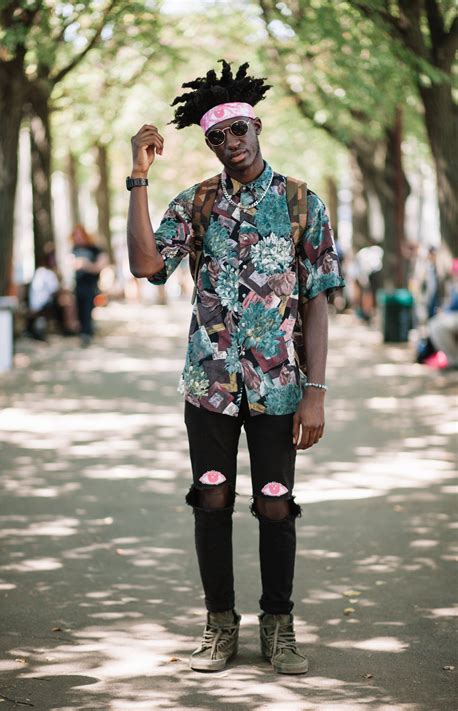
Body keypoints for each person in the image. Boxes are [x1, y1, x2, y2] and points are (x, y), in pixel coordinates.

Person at [127, 61, 345, 674]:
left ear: (256, 126)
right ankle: (219, 625)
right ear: (210, 143)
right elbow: (147, 265)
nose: (233, 143)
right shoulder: (194, 203)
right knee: (213, 497)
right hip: (210, 383)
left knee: (276, 500)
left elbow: (317, 300)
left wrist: (317, 391)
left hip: (279, 388)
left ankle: (280, 625)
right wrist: (139, 178)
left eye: (241, 129)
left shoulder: (303, 201)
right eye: (218, 137)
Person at [70, 225, 108, 346]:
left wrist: (86, 265)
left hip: (90, 285)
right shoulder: (74, 249)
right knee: (80, 309)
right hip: (78, 285)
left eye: (79, 235)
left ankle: (87, 333)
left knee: (87, 308)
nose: (78, 238)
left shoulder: (94, 249)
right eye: (75, 235)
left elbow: (100, 265)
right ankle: (84, 332)